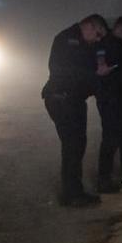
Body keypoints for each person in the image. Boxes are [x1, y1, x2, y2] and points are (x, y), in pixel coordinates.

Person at [42, 14, 111, 206]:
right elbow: (61, 70)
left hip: (73, 99)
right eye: (97, 34)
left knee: (76, 145)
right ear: (88, 26)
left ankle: (74, 190)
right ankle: (73, 195)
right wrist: (94, 73)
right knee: (73, 145)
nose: (98, 40)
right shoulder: (67, 39)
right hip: (62, 98)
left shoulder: (85, 42)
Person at [95, 15, 122, 192]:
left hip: (121, 100)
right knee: (112, 141)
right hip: (113, 100)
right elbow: (109, 69)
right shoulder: (110, 45)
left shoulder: (115, 44)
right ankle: (105, 181)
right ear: (120, 29)